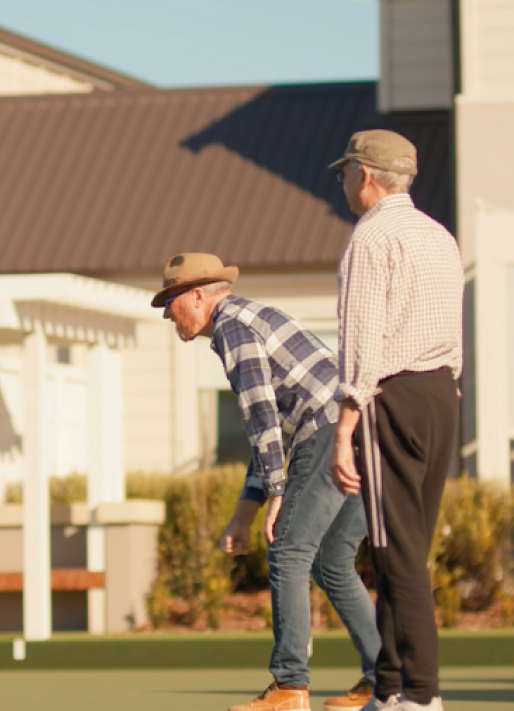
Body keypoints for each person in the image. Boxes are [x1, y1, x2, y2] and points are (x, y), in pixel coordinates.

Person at [154, 253, 381, 711]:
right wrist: (247, 507)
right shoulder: (247, 316)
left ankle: (290, 686)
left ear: (198, 295)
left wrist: (275, 495)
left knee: (289, 551)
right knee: (332, 560)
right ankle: (385, 676)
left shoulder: (232, 326)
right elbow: (271, 421)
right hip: (363, 431)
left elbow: (262, 422)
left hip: (326, 430)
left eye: (171, 300)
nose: (165, 313)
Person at [329, 130, 463, 711]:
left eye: (345, 173)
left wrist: (344, 423)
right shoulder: (439, 235)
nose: (342, 183)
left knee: (395, 550)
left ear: (364, 176)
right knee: (404, 545)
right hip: (441, 394)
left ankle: (418, 693)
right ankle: (388, 687)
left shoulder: (372, 236)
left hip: (392, 395)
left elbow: (362, 338)